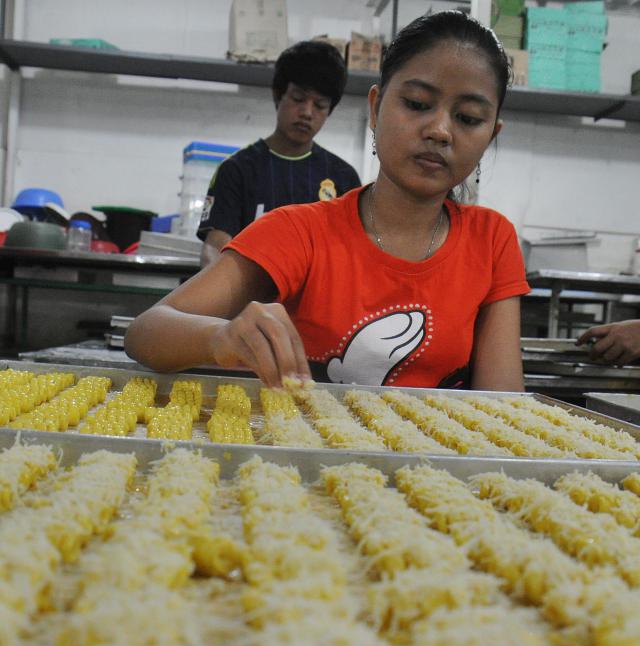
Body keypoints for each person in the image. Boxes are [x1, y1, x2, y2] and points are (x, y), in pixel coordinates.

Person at [126, 11, 530, 391]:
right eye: (418, 105)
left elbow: (501, 408)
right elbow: (146, 332)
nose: (441, 130)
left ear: (490, 136)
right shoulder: (300, 232)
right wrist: (219, 335)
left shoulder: (491, 241)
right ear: (375, 108)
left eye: (468, 118)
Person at [197, 40, 361, 268]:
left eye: (320, 105)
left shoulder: (343, 178)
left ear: (329, 111)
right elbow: (215, 250)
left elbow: (354, 256)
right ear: (278, 95)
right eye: (298, 99)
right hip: (251, 300)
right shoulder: (237, 170)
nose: (306, 112)